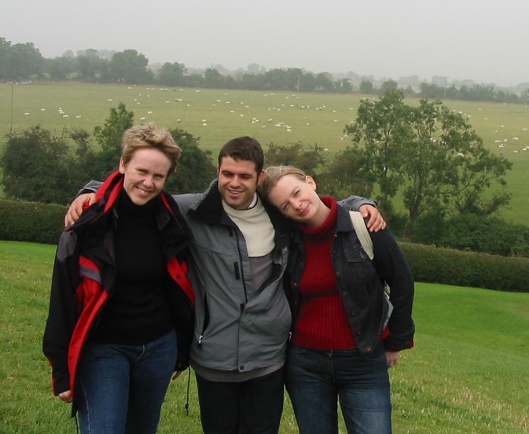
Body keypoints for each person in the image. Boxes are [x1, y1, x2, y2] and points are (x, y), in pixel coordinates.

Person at [65, 136, 384, 434]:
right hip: (213, 358)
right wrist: (90, 190)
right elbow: (143, 193)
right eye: (227, 174)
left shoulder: (279, 212)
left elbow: (317, 205)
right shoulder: (193, 210)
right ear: (217, 171)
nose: (234, 183)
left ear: (259, 179)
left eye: (244, 176)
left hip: (269, 359)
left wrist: (359, 202)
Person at [43, 124, 195, 434]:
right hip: (103, 348)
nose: (148, 182)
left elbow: (176, 288)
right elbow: (62, 297)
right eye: (141, 171)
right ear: (123, 164)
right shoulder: (87, 223)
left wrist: (182, 349)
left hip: (158, 348)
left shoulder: (172, 221)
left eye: (158, 176)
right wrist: (61, 368)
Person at [261, 165, 415, 434]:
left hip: (364, 361)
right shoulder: (287, 239)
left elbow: (402, 282)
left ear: (311, 182)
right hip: (305, 365)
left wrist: (396, 342)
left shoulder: (364, 224)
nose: (297, 205)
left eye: (297, 192)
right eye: (285, 205)